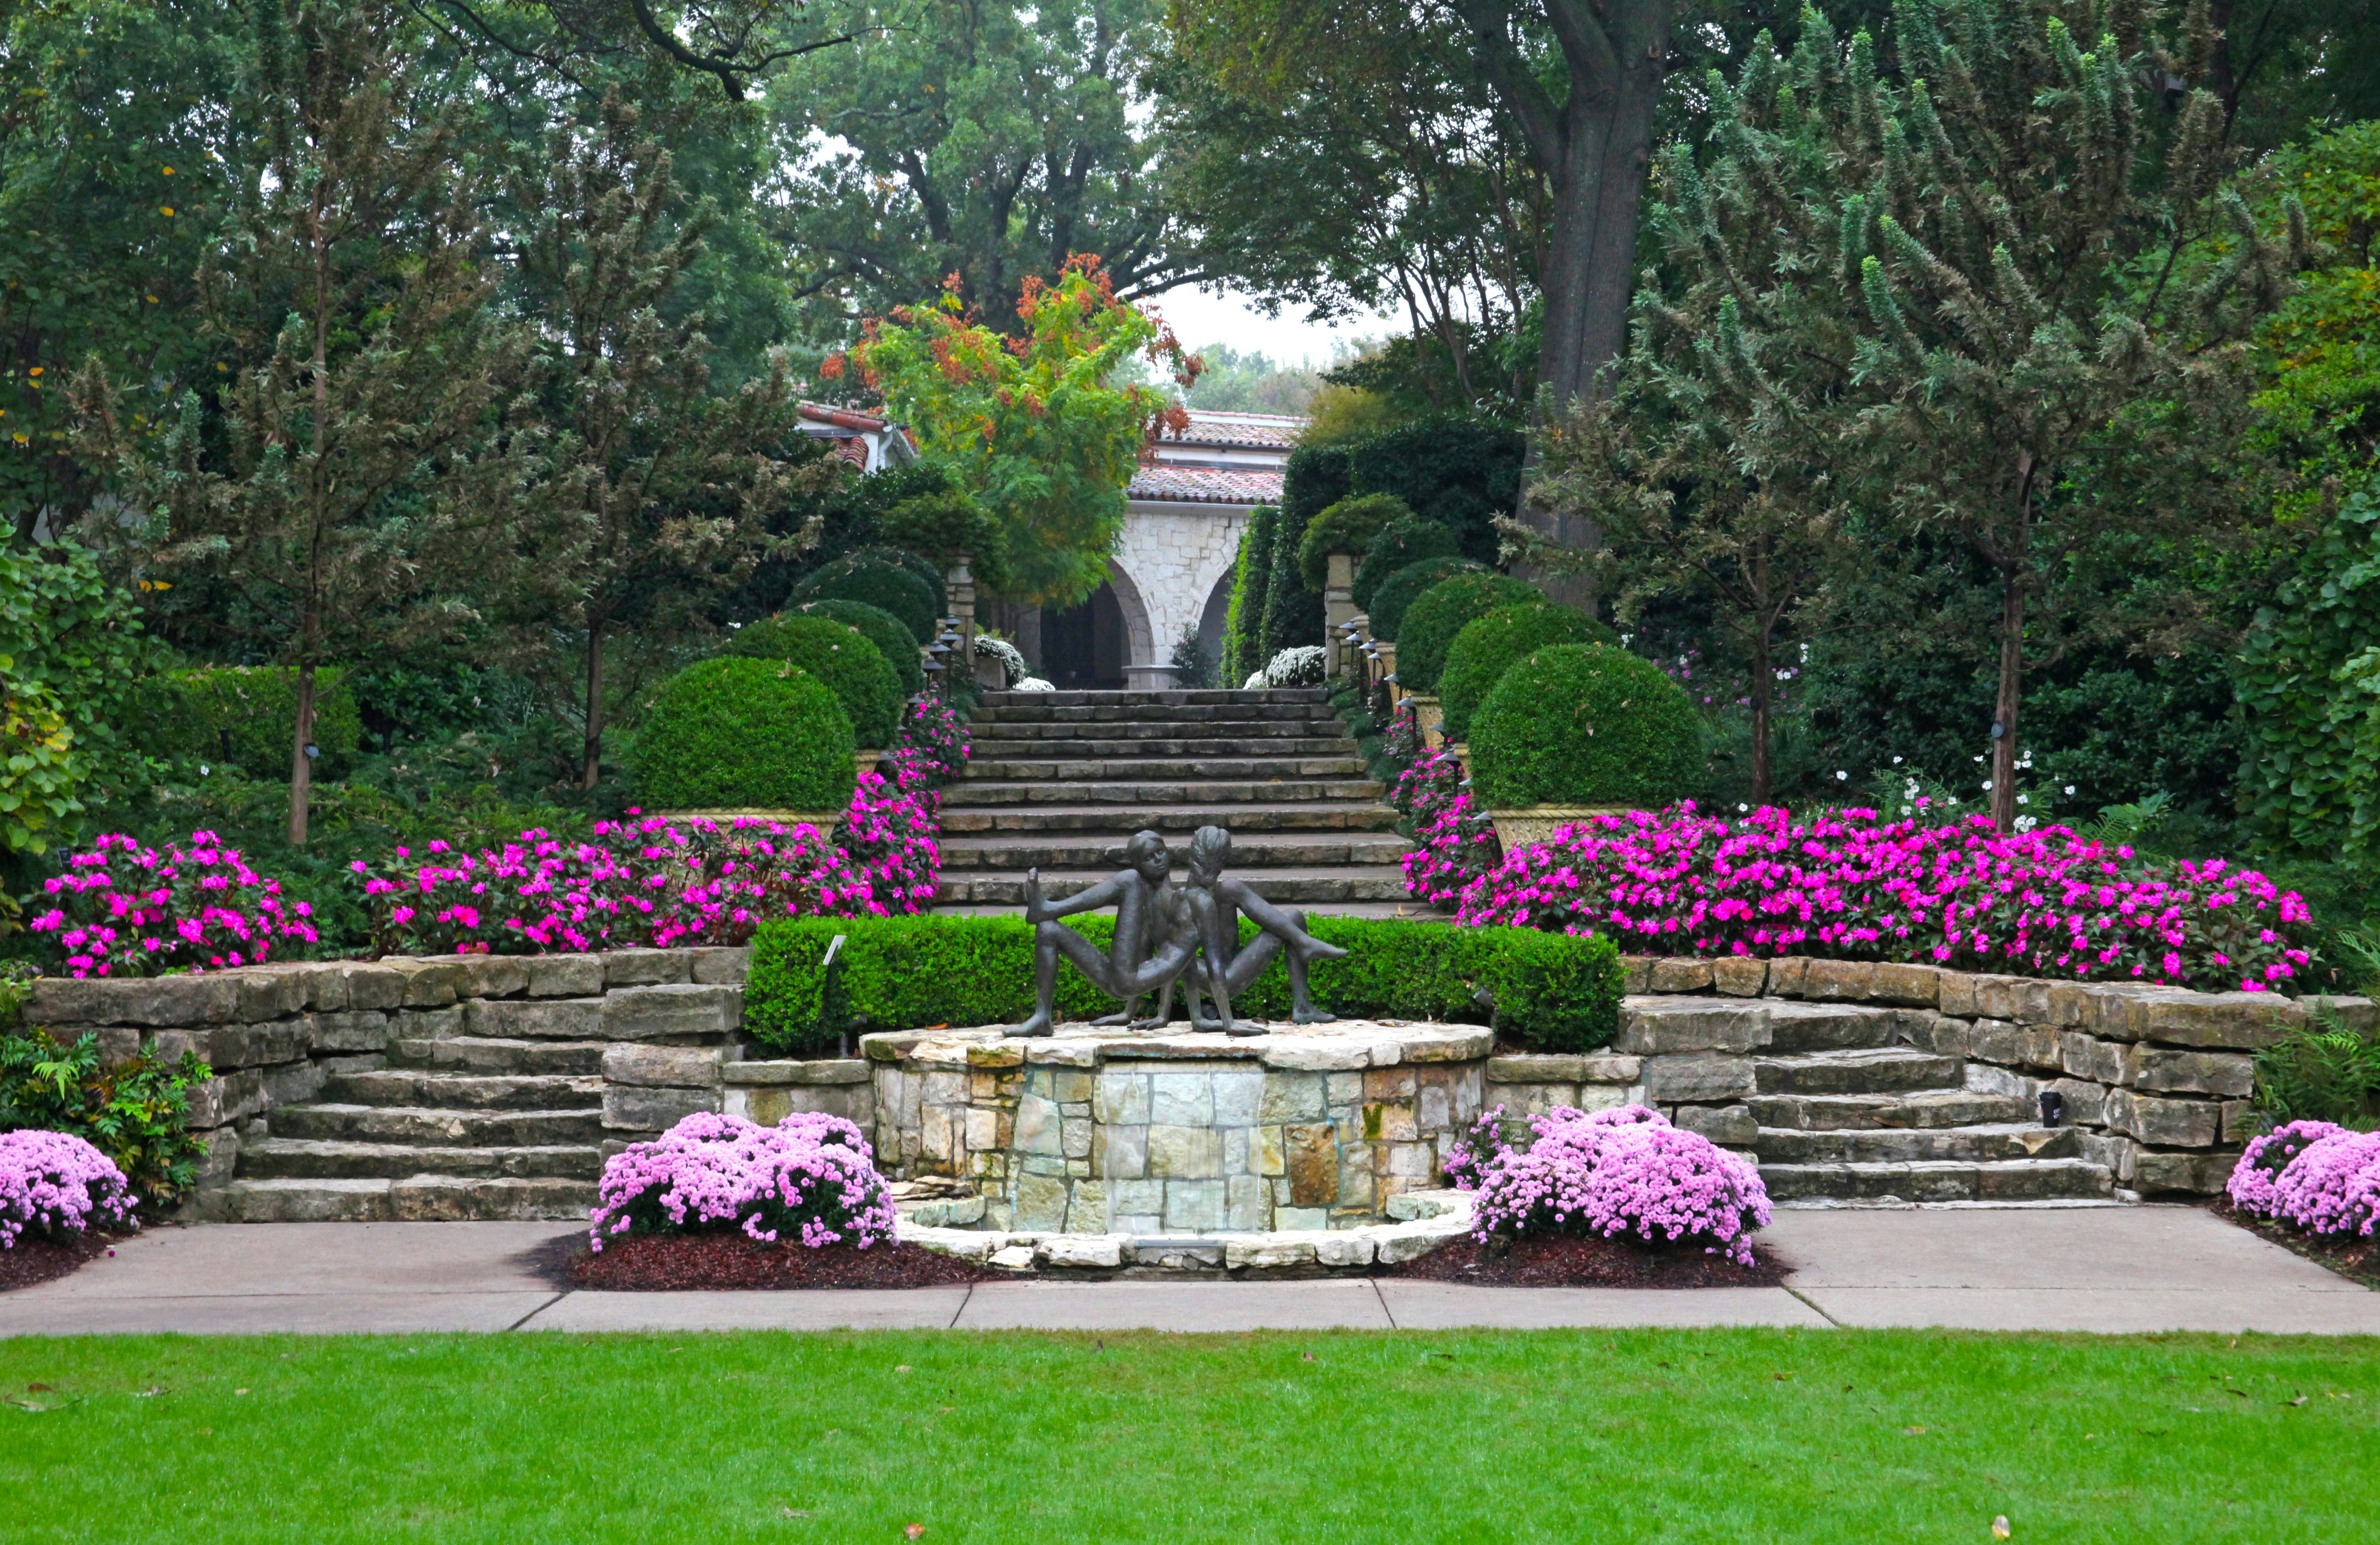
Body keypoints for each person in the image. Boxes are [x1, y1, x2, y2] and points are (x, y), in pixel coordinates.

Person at [1168, 824, 1346, 1032]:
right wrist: (1216, 1021)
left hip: (1227, 966)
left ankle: (1303, 1003)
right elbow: (1179, 962)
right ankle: (1304, 948)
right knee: (1281, 913)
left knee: (1284, 913)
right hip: (1223, 979)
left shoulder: (1208, 894)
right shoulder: (1193, 901)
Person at [1006, 830, 1173, 1037]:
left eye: (1161, 852)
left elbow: (1176, 959)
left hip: (1129, 980)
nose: (1158, 860)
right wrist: (1128, 1013)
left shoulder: (1172, 900)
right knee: (1048, 930)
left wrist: (1162, 1016)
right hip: (1121, 980)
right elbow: (1144, 953)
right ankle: (1042, 1018)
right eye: (1149, 857)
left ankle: (1048, 908)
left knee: (1130, 879)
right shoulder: (1148, 898)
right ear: (1140, 865)